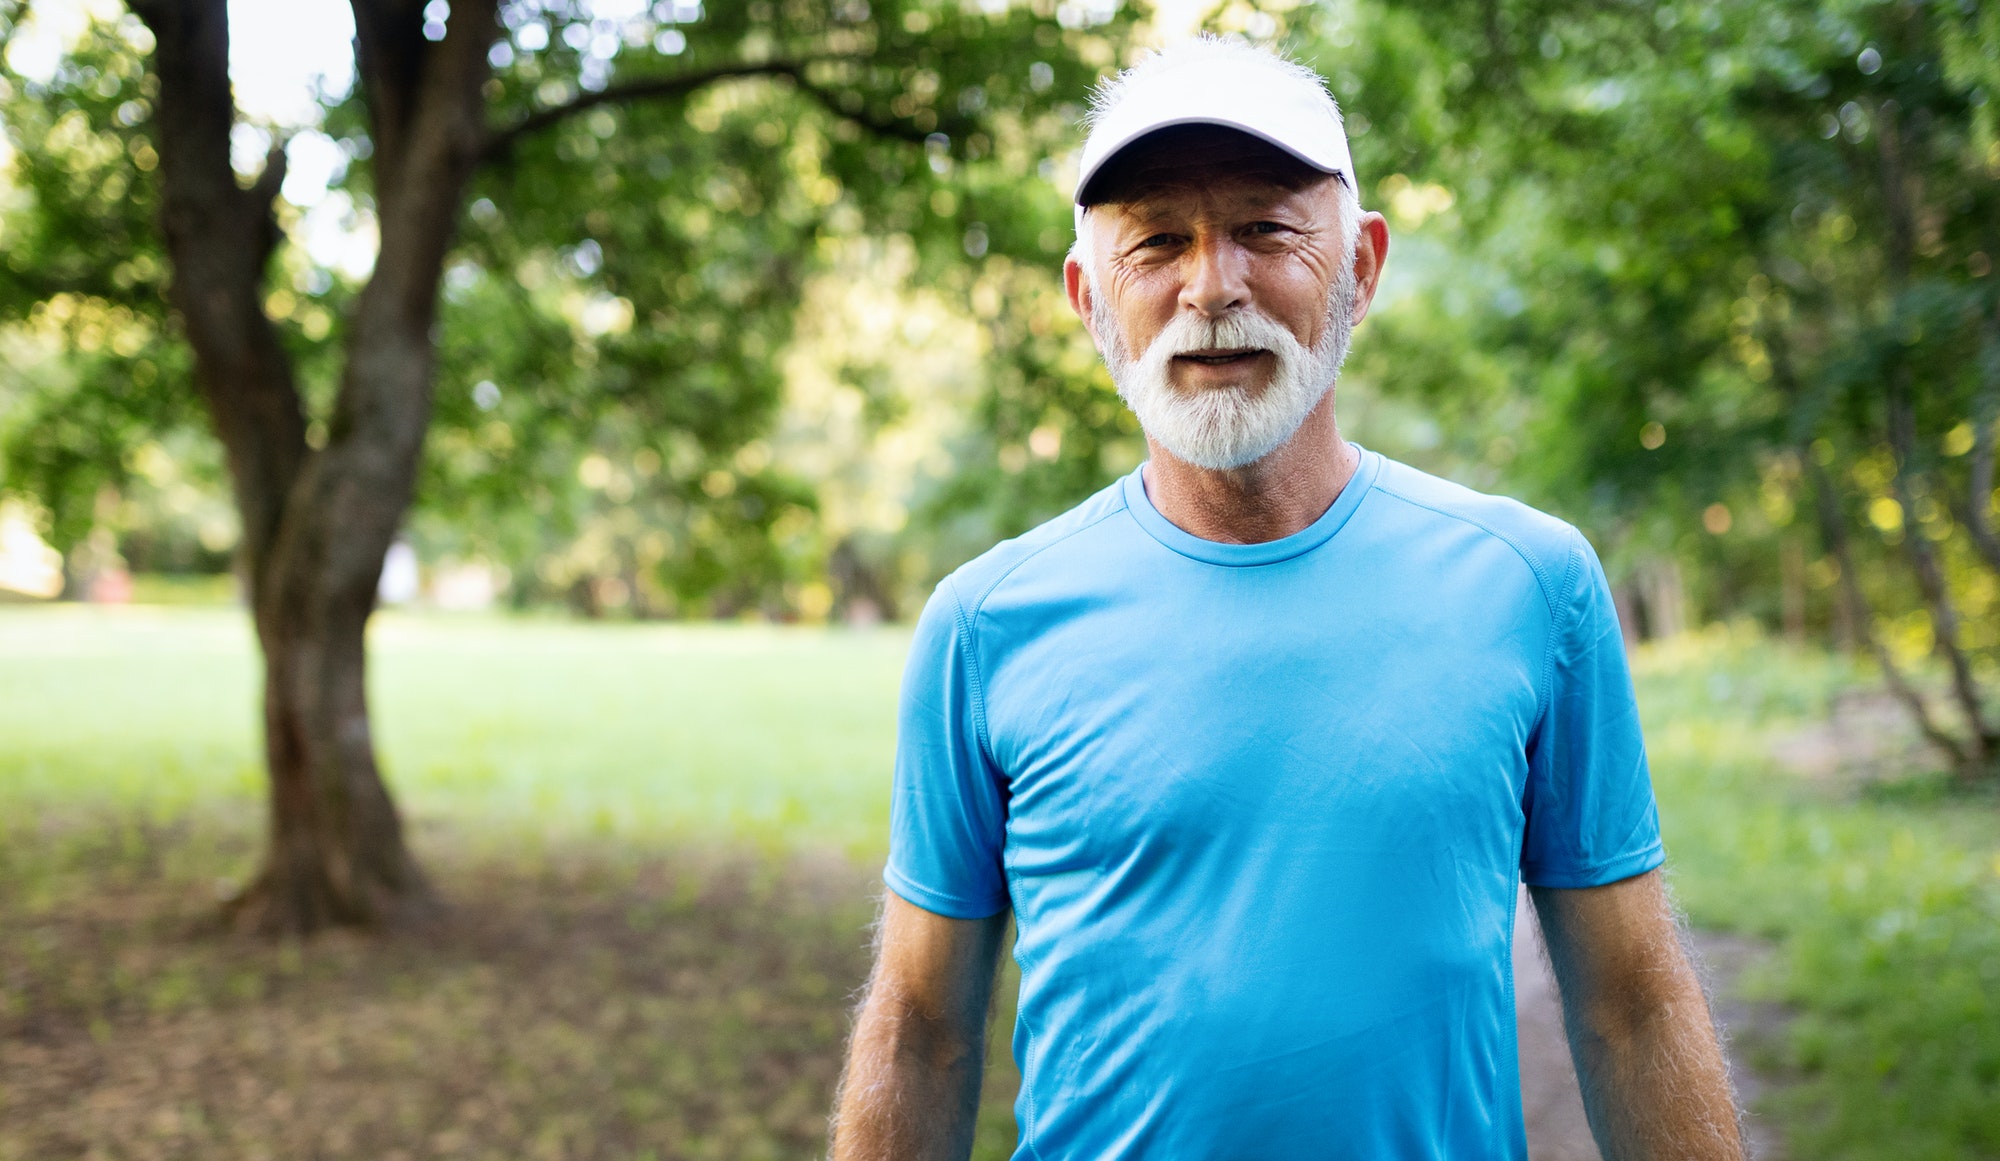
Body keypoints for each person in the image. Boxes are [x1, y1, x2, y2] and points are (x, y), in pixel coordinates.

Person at [831, 36, 1743, 1161]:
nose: (1210, 286)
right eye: (1156, 242)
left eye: (1263, 230)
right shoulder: (983, 625)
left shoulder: (1527, 585)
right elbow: (920, 1032)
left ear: (1359, 266)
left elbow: (1631, 1002)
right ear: (1087, 300)